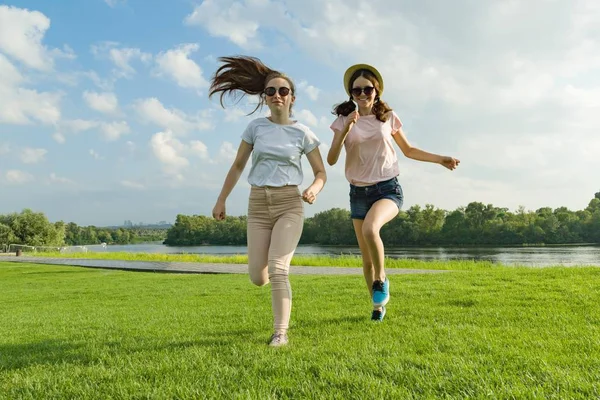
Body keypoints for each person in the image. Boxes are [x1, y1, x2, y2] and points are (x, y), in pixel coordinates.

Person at [327, 64, 459, 322]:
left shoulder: (387, 117)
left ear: (376, 90)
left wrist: (440, 159)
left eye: (368, 88)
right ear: (351, 93)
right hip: (358, 193)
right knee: (365, 259)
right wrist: (345, 130)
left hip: (387, 188)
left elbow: (408, 150)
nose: (362, 93)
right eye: (357, 90)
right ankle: (377, 308)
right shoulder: (343, 121)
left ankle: (382, 278)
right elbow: (331, 159)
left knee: (370, 229)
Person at [210, 56, 327, 346]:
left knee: (278, 269)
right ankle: (275, 305)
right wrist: (221, 199)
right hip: (258, 205)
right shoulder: (255, 128)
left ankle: (280, 333)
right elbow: (238, 165)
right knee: (258, 277)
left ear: (292, 98)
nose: (277, 95)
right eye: (271, 91)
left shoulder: (303, 133)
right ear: (265, 98)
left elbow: (321, 172)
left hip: (289, 202)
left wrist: (314, 188)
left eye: (283, 91)